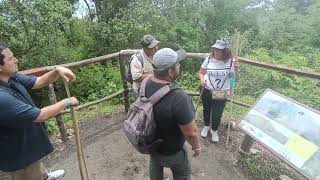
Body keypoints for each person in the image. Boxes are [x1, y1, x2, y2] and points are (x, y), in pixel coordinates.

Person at [0, 42, 79, 180]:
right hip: (18, 157)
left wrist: (56, 70)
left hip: (25, 145)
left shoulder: (11, 77)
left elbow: (39, 81)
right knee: (29, 172)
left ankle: (45, 176)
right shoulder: (1, 97)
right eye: (11, 58)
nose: (16, 60)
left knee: (36, 166)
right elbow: (40, 115)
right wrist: (67, 101)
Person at [145, 48, 201, 180]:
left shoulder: (145, 83)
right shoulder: (178, 97)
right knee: (183, 174)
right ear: (170, 71)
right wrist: (196, 147)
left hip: (152, 146)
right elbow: (191, 133)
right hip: (172, 151)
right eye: (177, 64)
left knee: (155, 165)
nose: (179, 65)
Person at [198, 38, 240, 143]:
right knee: (206, 109)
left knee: (217, 113)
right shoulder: (208, 59)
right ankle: (206, 126)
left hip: (222, 91)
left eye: (219, 49)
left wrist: (236, 70)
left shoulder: (231, 62)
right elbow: (201, 72)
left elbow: (234, 80)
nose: (216, 51)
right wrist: (202, 80)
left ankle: (214, 130)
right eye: (215, 49)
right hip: (207, 90)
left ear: (225, 51)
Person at [130, 34, 159, 99]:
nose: (156, 48)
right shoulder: (137, 59)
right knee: (142, 108)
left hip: (151, 89)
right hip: (140, 91)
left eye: (156, 46)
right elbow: (136, 77)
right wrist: (155, 76)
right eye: (153, 47)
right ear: (145, 48)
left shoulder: (155, 55)